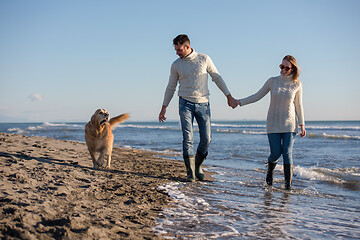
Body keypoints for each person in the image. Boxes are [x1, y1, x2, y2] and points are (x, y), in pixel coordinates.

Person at [159, 34, 238, 182]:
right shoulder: (176, 65)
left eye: (179, 49)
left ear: (187, 47)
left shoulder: (204, 59)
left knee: (206, 139)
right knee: (187, 138)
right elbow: (171, 87)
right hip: (185, 103)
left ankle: (197, 166)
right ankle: (190, 173)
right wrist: (164, 107)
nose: (177, 53)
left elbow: (217, 77)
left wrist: (229, 96)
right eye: (176, 50)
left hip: (203, 104)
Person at [237, 55, 306, 190]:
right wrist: (239, 102)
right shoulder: (272, 81)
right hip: (273, 123)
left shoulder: (297, 84)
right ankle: (270, 172)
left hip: (290, 124)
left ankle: (288, 187)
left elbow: (299, 105)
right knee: (275, 153)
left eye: (287, 68)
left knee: (287, 152)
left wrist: (302, 124)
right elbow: (257, 96)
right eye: (282, 66)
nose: (283, 70)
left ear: (292, 69)